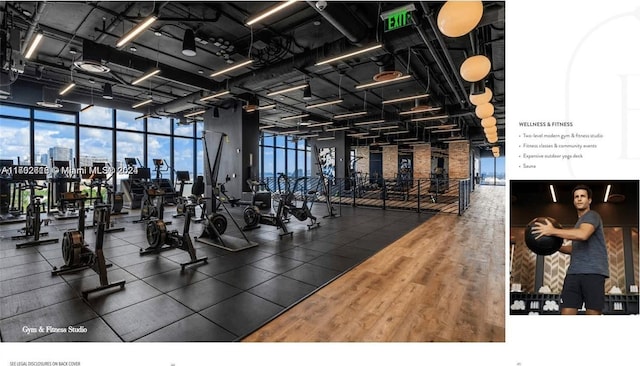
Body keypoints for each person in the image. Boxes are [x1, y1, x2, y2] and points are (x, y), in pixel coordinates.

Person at [531, 184, 609, 315]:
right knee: (566, 312)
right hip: (573, 273)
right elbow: (575, 249)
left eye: (582, 196)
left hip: (593, 273)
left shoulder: (592, 216)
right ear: (573, 201)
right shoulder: (578, 224)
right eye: (576, 197)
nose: (579, 199)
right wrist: (554, 246)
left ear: (589, 200)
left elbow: (583, 235)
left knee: (593, 314)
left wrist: (552, 231)